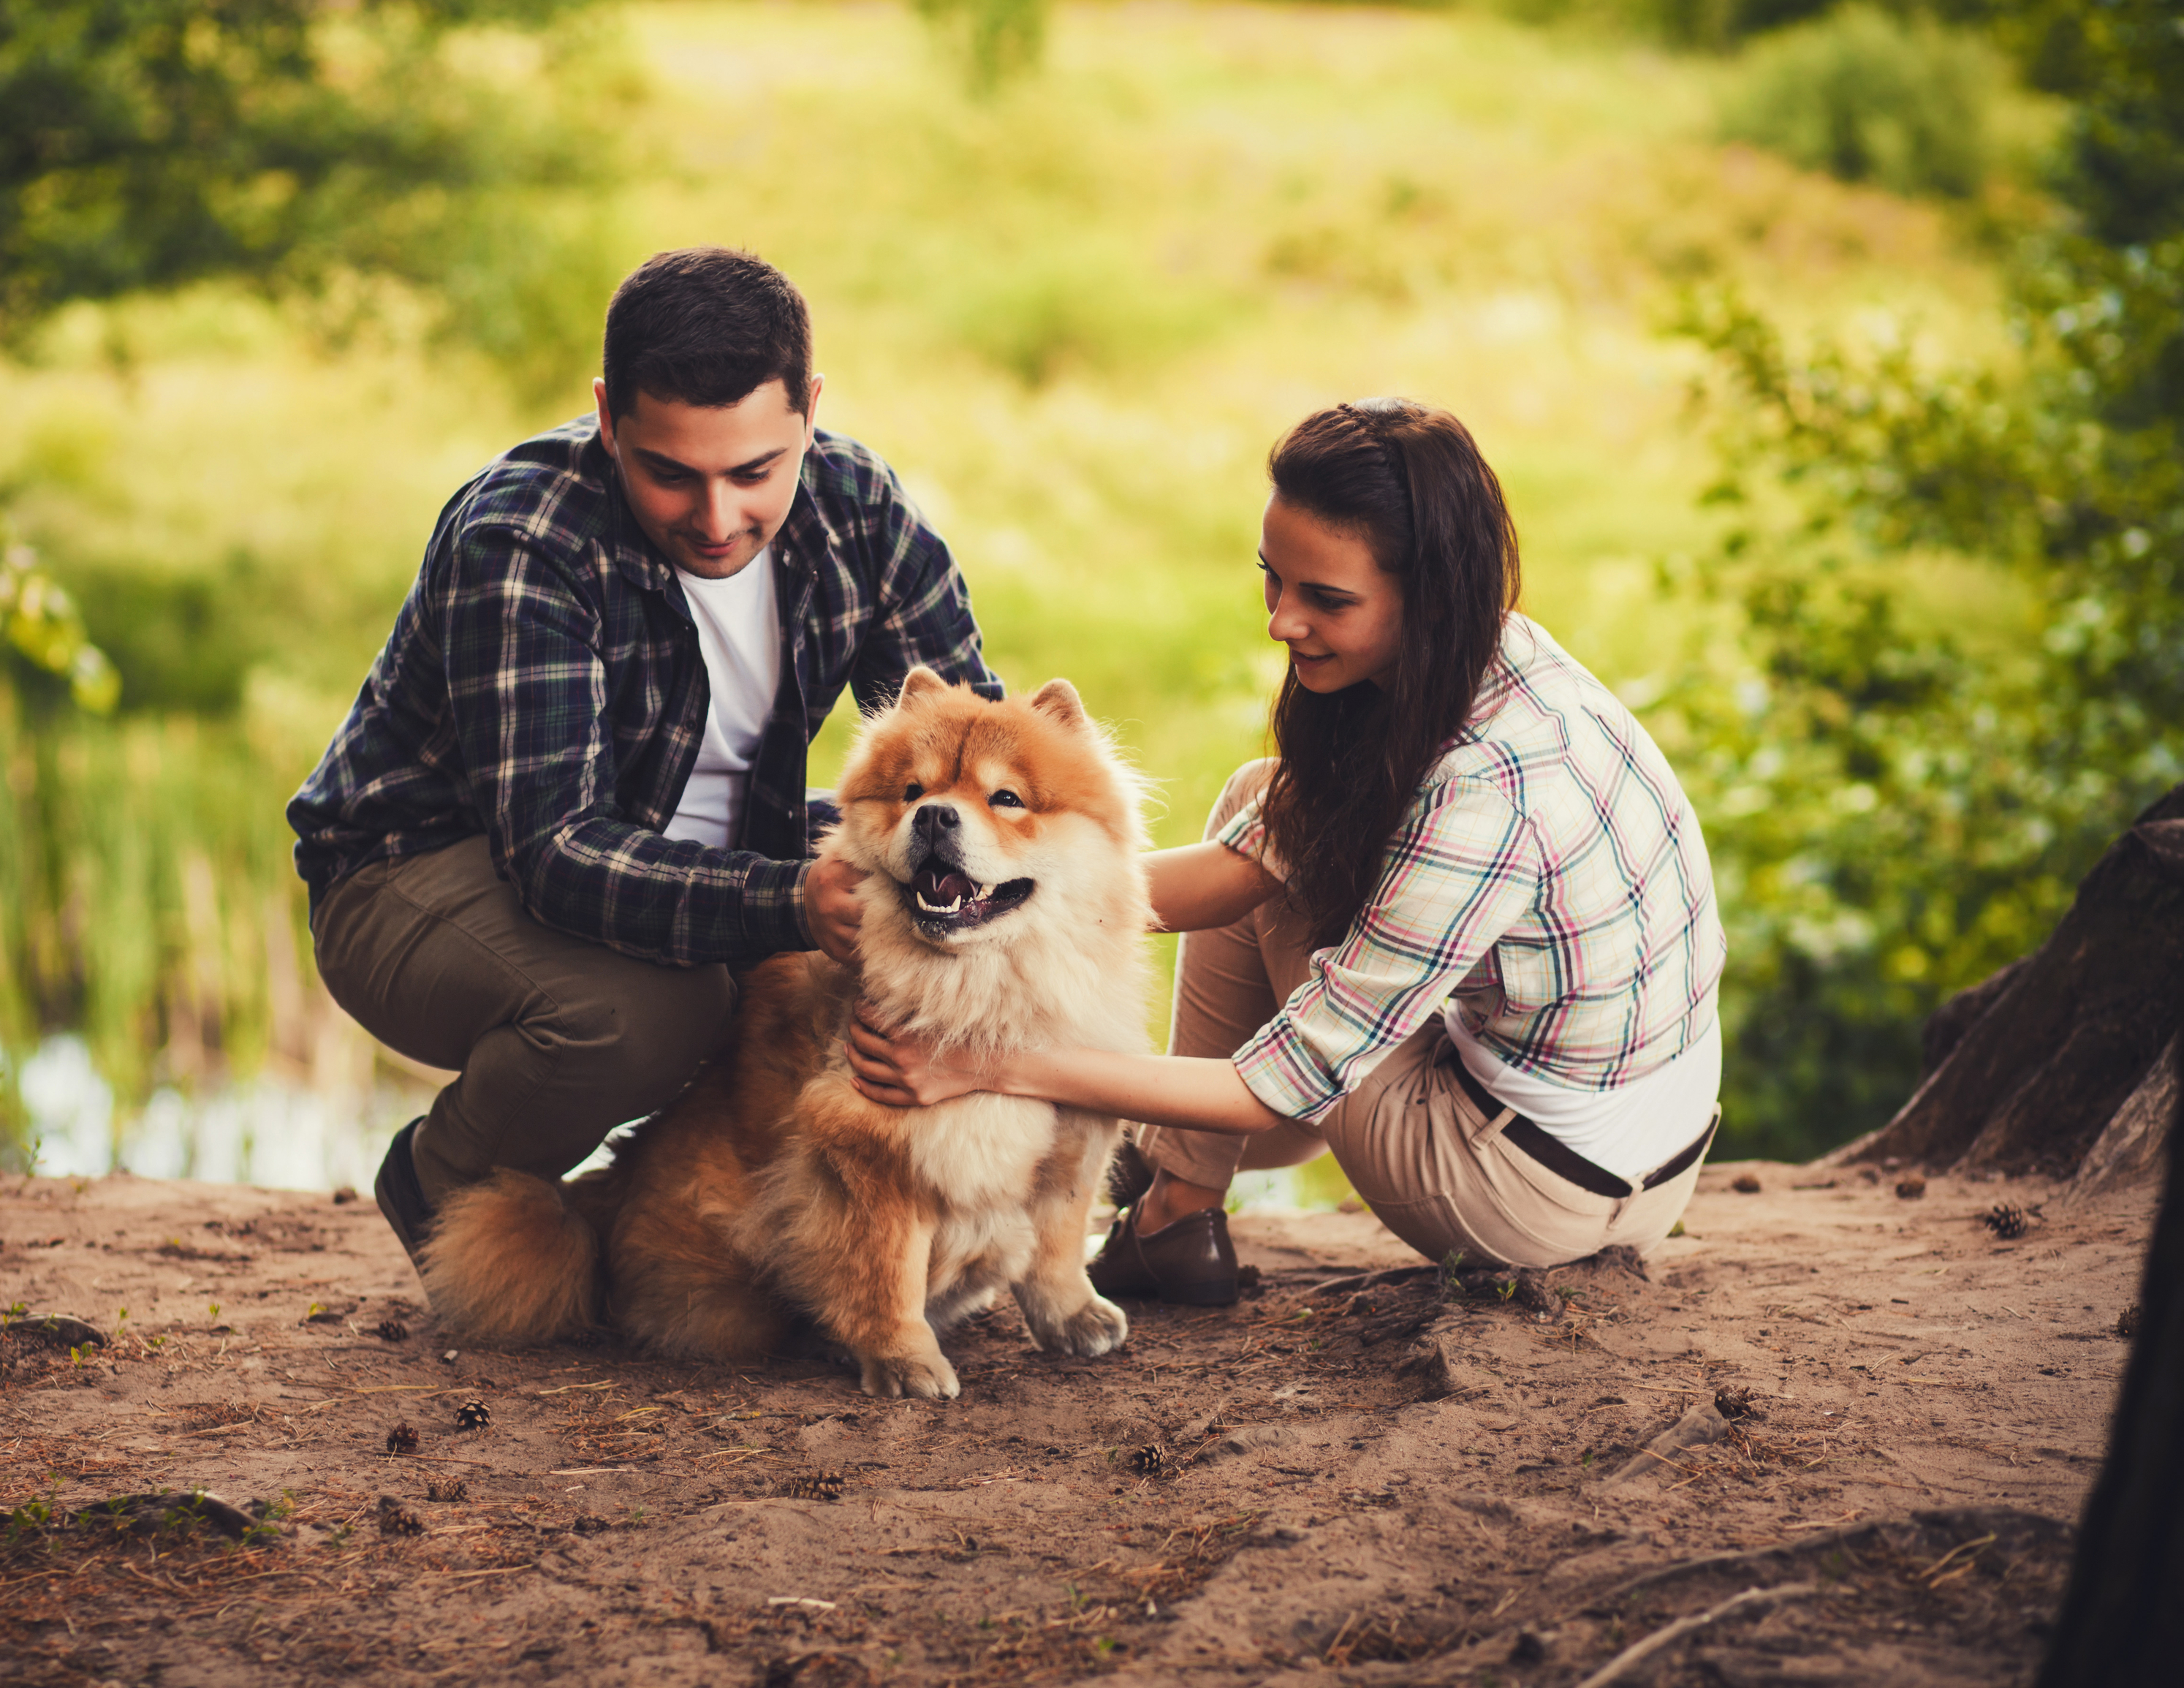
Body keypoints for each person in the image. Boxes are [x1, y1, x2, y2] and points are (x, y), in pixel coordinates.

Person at [846, 398, 1724, 1304]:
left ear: (1427, 592)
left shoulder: (1486, 793)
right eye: (1275, 579)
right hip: (1635, 1137)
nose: (1280, 622)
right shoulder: (1499, 659)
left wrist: (983, 1061)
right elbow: (1235, 867)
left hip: (1539, 1193)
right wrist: (992, 886)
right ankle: (1177, 1200)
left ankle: (1174, 1206)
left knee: (1276, 849)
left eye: (1325, 599)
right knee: (1264, 803)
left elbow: (1278, 1088)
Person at [290, 247, 1000, 1267]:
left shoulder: (859, 508)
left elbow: (967, 751)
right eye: (670, 473)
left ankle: (781, 1235)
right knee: (651, 1013)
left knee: (937, 932)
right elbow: (558, 853)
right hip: (414, 870)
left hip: (685, 848)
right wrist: (792, 901)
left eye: (755, 472)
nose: (716, 521)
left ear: (809, 411)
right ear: (608, 417)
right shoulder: (524, 540)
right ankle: (441, 1179)